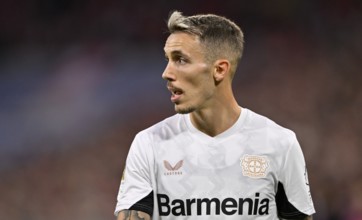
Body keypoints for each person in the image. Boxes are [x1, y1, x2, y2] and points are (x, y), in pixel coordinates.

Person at [114, 11, 315, 220]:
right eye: (168, 60)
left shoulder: (279, 143)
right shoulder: (149, 144)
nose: (166, 73)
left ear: (219, 70)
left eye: (180, 60)